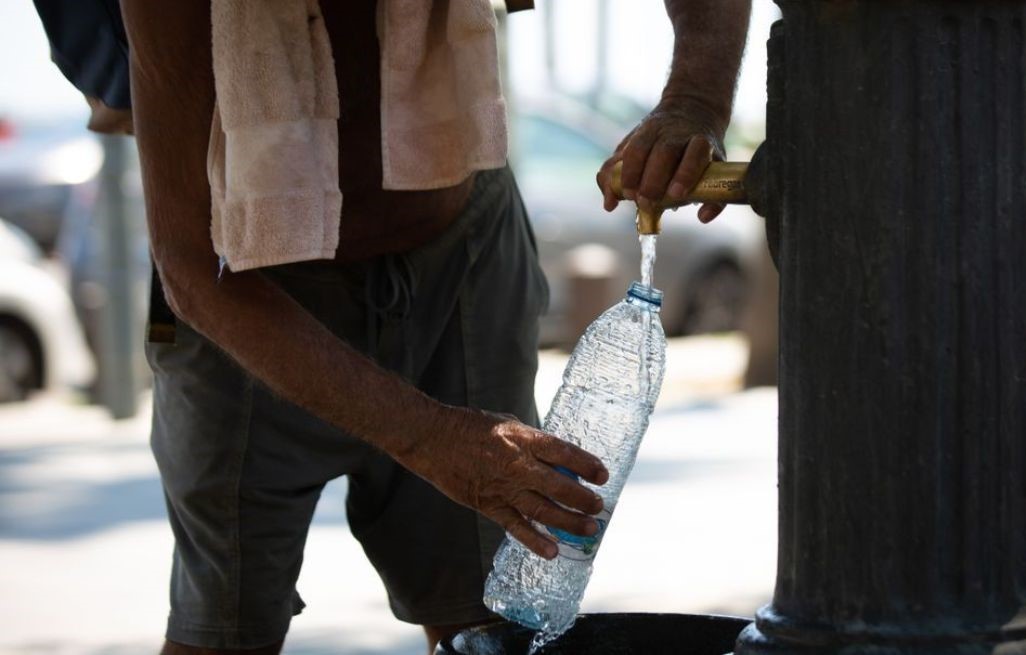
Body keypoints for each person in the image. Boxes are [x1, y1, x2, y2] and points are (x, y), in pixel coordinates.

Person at [120, 1, 751, 653]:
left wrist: (696, 98)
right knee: (221, 632)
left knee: (489, 626)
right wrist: (427, 435)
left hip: (460, 243)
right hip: (248, 280)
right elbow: (189, 269)